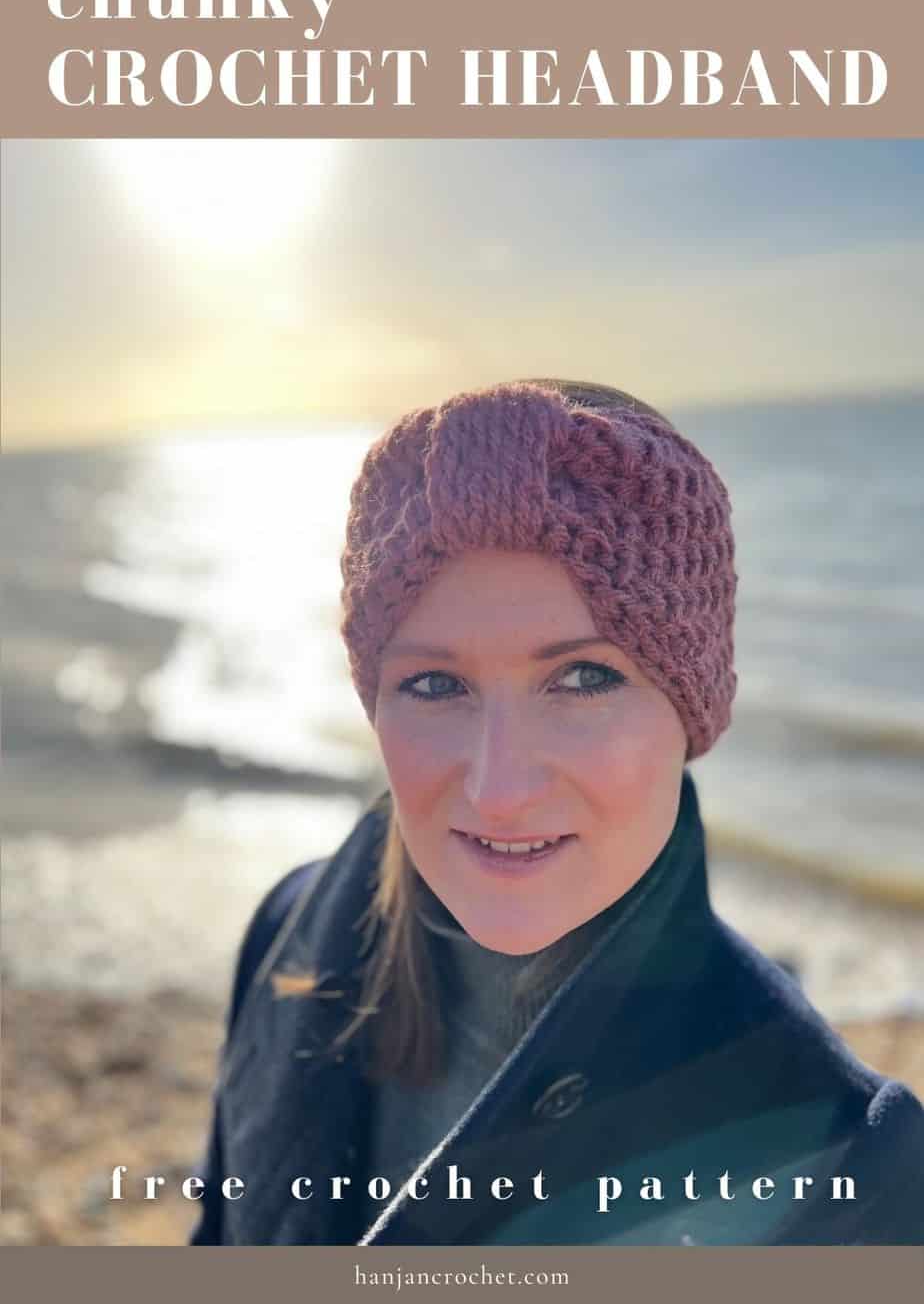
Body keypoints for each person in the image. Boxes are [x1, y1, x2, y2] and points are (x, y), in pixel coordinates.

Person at [190, 378, 924, 1246]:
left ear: (692, 711)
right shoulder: (289, 933)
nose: (498, 789)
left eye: (583, 678)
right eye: (433, 684)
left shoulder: (847, 1164)